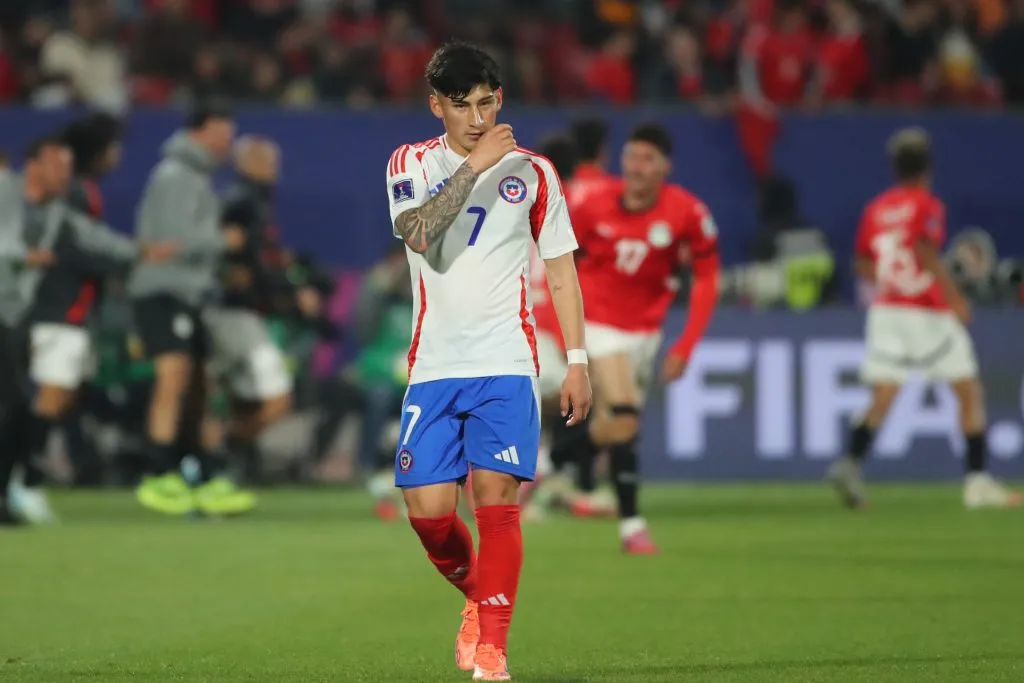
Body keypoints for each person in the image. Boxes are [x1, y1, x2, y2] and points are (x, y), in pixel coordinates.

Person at [385, 42, 591, 681]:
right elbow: (418, 233)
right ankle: (480, 595)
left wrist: (579, 359)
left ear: (499, 99)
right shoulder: (410, 162)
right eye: (461, 106)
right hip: (435, 364)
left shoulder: (535, 173)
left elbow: (560, 271)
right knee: (428, 514)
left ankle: (493, 655)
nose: (475, 118)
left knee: (495, 500)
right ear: (436, 107)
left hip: (507, 358)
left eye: (485, 103)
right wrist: (475, 165)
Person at [829, 128, 1022, 510]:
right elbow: (925, 250)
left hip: (886, 311)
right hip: (927, 313)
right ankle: (978, 483)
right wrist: (955, 298)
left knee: (884, 395)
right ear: (928, 167)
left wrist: (891, 283)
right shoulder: (927, 206)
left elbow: (863, 265)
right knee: (968, 391)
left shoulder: (876, 209)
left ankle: (850, 461)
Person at [572, 123, 721, 554]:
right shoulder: (592, 206)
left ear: (665, 167)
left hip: (646, 333)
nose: (636, 167)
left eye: (647, 159)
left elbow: (707, 280)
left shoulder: (688, 213)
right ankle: (632, 526)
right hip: (595, 322)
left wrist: (686, 345)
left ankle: (548, 462)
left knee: (616, 426)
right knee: (623, 412)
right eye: (632, 156)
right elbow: (560, 261)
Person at [128, 101, 255, 517]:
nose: (226, 145)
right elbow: (172, 241)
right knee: (174, 377)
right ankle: (159, 474)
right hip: (165, 291)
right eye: (222, 135)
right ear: (199, 132)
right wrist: (225, 242)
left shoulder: (193, 177)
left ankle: (200, 475)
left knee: (200, 385)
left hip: (188, 293)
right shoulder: (177, 177)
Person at [205, 135, 295, 483]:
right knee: (277, 399)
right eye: (267, 161)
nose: (275, 169)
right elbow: (229, 252)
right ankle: (218, 452)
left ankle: (221, 465)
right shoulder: (241, 203)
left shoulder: (250, 201)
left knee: (232, 397)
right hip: (233, 315)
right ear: (247, 163)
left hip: (238, 314)